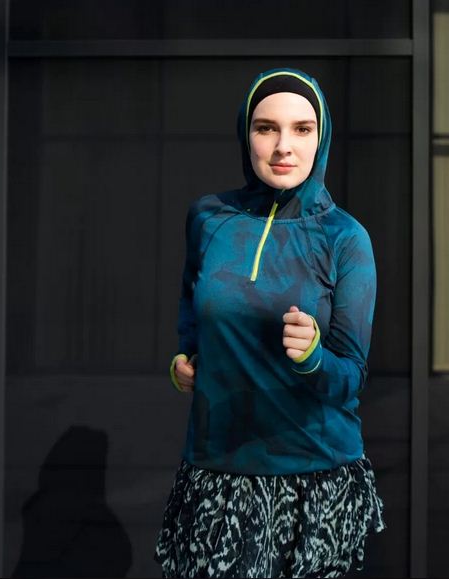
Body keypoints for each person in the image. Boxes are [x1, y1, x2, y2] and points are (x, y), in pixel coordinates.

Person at [154, 67, 385, 578]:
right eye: (266, 128)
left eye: (302, 129)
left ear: (321, 138)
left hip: (313, 476)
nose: (284, 146)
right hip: (216, 472)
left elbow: (351, 377)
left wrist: (312, 358)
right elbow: (192, 308)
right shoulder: (208, 219)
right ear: (246, 134)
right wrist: (186, 359)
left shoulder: (345, 238)